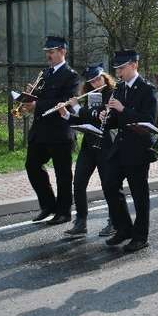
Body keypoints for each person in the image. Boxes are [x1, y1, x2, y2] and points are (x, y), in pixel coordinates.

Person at [100, 50, 158, 252]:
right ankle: (124, 228)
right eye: (117, 69)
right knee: (109, 185)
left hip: (138, 148)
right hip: (121, 146)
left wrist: (123, 110)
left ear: (134, 65)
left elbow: (148, 121)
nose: (119, 72)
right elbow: (116, 121)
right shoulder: (120, 88)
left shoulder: (147, 89)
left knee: (139, 193)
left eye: (122, 68)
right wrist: (106, 119)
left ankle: (141, 236)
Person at [25, 36, 80, 225]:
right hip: (40, 131)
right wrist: (28, 97)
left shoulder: (71, 76)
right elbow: (37, 98)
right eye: (47, 52)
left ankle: (64, 212)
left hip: (59, 132)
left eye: (52, 51)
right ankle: (48, 205)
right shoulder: (45, 73)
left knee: (62, 174)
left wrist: (36, 104)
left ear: (63, 52)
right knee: (32, 166)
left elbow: (64, 102)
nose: (48, 55)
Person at [59, 64, 117, 236]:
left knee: (109, 185)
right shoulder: (91, 94)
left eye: (98, 79)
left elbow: (96, 115)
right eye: (92, 81)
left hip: (106, 144)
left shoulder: (112, 93)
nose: (96, 83)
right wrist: (66, 114)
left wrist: (77, 108)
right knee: (78, 182)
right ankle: (81, 222)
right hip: (89, 145)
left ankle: (114, 221)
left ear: (104, 76)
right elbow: (85, 119)